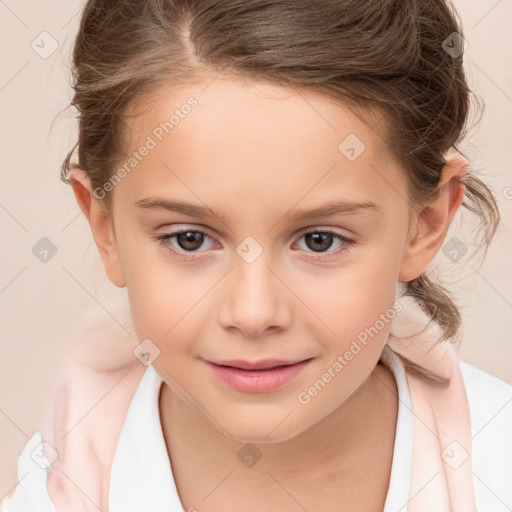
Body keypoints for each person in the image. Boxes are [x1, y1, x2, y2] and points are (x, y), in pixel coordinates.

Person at [2, 0, 511, 511]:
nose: (253, 313)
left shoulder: (497, 466)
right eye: (189, 239)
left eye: (320, 240)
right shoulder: (54, 487)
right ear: (105, 227)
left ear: (425, 225)